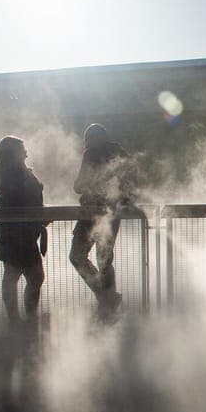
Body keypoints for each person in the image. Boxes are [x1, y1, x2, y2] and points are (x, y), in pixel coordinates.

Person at [69, 123, 139, 319]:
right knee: (105, 259)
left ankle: (105, 298)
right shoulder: (121, 153)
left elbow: (79, 186)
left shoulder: (91, 153)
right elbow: (133, 181)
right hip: (113, 213)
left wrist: (86, 186)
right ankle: (109, 305)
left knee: (77, 256)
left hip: (91, 213)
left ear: (90, 140)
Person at [0, 136, 47, 323]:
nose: (26, 152)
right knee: (23, 275)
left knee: (25, 276)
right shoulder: (11, 176)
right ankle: (20, 319)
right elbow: (20, 201)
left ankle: (21, 319)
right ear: (14, 153)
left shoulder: (16, 173)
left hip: (21, 232)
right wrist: (37, 215)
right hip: (15, 233)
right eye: (22, 148)